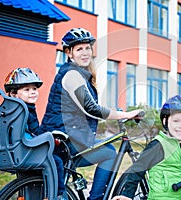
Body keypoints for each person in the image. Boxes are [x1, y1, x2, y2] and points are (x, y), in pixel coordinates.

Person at [40, 27, 143, 200]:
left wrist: (112, 114)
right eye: (79, 49)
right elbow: (91, 108)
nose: (85, 52)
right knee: (110, 152)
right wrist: (125, 115)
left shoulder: (76, 73)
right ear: (69, 52)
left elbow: (82, 110)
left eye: (87, 48)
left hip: (64, 137)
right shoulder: (72, 74)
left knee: (105, 148)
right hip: (63, 139)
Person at [4, 67, 67, 200]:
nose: (32, 92)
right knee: (57, 162)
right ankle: (57, 195)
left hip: (15, 153)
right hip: (26, 151)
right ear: (13, 94)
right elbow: (26, 135)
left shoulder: (12, 110)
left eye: (34, 89)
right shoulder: (22, 111)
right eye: (26, 90)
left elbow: (33, 131)